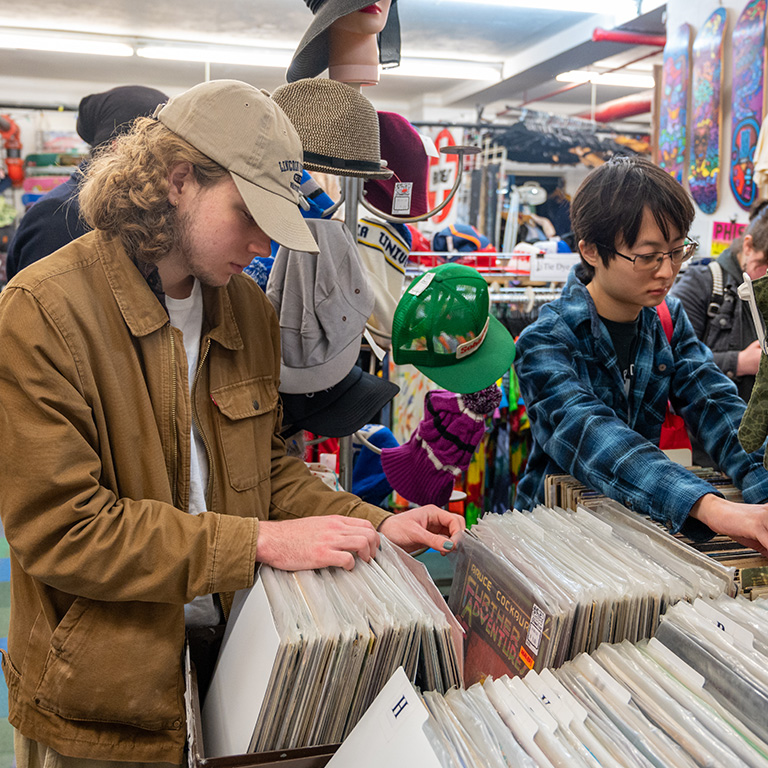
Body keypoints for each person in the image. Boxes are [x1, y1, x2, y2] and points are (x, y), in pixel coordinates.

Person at [0, 79, 463, 766]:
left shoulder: (243, 307)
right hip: (104, 696)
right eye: (247, 214)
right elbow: (62, 530)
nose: (258, 243)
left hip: (236, 660)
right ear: (177, 179)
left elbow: (263, 466)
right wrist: (256, 543)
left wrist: (371, 523)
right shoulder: (43, 312)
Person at [513, 155, 768, 556]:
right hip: (555, 545)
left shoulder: (668, 320)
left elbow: (717, 408)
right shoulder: (544, 341)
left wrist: (764, 484)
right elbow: (598, 438)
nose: (667, 272)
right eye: (648, 256)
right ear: (592, 251)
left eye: (677, 251)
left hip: (633, 535)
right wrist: (710, 507)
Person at [5, 84, 168, 280]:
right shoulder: (59, 215)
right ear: (119, 150)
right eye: (157, 153)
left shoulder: (134, 209)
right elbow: (36, 304)